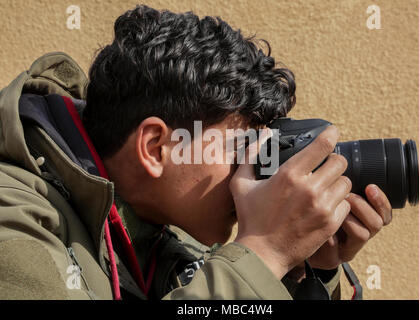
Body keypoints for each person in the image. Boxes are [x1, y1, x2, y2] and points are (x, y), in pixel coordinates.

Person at [0, 5, 392, 300]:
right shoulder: (15, 218)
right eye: (240, 149)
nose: (256, 172)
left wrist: (301, 271)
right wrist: (265, 252)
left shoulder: (167, 239)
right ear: (156, 148)